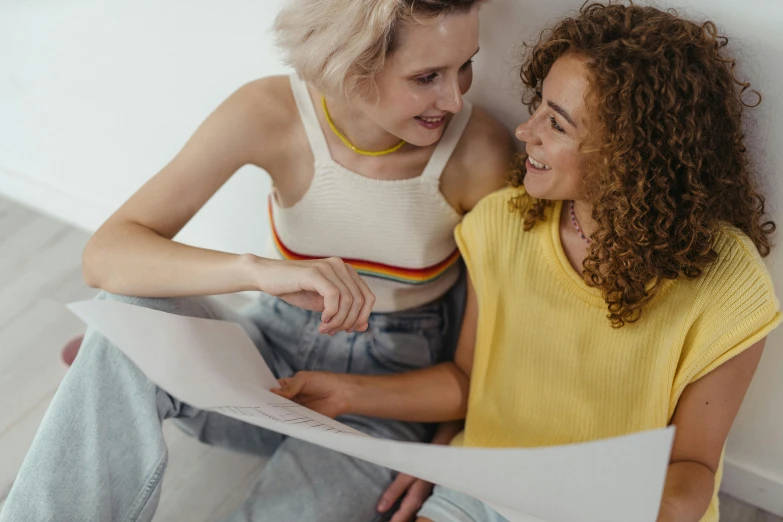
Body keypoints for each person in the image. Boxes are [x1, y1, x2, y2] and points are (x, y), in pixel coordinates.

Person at [0, 1, 513, 521]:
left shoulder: (481, 154)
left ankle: (111, 402)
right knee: (128, 309)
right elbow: (105, 255)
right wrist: (255, 271)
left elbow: (472, 377)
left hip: (382, 408)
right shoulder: (269, 112)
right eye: (427, 76)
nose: (453, 97)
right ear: (351, 62)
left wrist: (444, 450)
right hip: (267, 362)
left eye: (466, 64)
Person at [272, 3, 782, 521]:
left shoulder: (727, 285)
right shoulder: (503, 224)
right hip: (482, 489)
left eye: (556, 125)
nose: (525, 132)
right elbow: (468, 381)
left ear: (630, 151)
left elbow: (692, 468)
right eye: (538, 106)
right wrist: (346, 392)